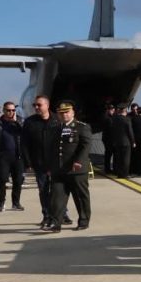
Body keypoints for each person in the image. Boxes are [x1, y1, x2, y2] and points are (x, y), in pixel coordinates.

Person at [43, 101, 92, 232]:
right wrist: (49, 166)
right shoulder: (56, 129)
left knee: (80, 197)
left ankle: (83, 221)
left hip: (76, 170)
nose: (64, 115)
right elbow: (51, 149)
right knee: (57, 197)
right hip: (59, 170)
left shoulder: (82, 127)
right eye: (61, 113)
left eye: (67, 112)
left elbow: (85, 146)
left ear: (73, 113)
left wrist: (79, 161)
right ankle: (56, 223)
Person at [22, 95, 68, 229]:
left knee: (58, 190)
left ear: (47, 106)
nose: (36, 107)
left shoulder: (57, 120)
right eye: (34, 105)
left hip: (56, 163)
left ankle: (61, 214)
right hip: (39, 162)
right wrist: (28, 162)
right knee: (43, 190)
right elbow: (25, 144)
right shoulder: (30, 122)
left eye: (39, 105)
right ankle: (47, 215)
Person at [0, 101, 26, 212]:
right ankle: (1, 203)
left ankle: (16, 202)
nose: (11, 112)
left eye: (13, 110)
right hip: (3, 156)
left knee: (18, 180)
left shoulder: (20, 121)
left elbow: (25, 134)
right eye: (8, 110)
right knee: (2, 180)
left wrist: (16, 122)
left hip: (18, 156)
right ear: (4, 111)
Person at [106, 104, 135, 178]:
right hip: (126, 142)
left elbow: (112, 130)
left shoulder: (114, 119)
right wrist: (133, 141)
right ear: (125, 111)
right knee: (126, 159)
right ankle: (125, 174)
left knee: (118, 158)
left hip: (117, 142)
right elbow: (130, 131)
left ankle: (119, 173)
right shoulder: (127, 119)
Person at [101, 103, 116, 173]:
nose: (112, 110)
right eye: (111, 109)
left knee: (111, 153)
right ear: (108, 110)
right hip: (108, 138)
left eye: (113, 109)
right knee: (108, 154)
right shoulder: (106, 117)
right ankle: (107, 168)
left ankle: (111, 168)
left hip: (111, 138)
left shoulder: (112, 117)